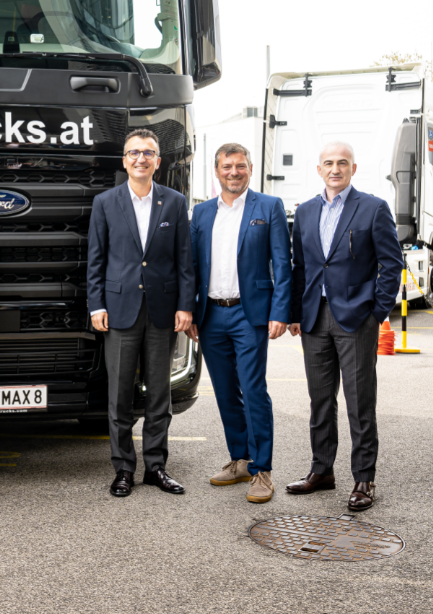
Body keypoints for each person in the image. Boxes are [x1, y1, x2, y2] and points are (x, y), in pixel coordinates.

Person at [287, 141, 402, 511]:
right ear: (319, 169)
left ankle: (364, 478)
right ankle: (322, 470)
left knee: (359, 400)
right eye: (328, 163)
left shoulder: (373, 208)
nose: (335, 169)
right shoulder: (305, 211)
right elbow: (300, 267)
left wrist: (377, 311)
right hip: (313, 318)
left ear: (353, 169)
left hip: (356, 318)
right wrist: (295, 312)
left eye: (342, 163)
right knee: (320, 400)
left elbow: (391, 263)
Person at [87, 128, 195, 497]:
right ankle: (123, 469)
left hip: (163, 311)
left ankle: (156, 467)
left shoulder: (175, 202)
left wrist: (185, 306)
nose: (140, 159)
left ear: (157, 162)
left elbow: (184, 260)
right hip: (119, 311)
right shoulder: (106, 202)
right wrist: (96, 304)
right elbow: (96, 259)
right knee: (119, 396)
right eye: (134, 153)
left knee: (159, 395)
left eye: (148, 153)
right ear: (124, 160)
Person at [190, 143, 292, 504]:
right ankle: (240, 460)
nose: (234, 172)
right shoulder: (202, 212)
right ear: (217, 171)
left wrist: (281, 311)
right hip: (211, 315)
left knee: (253, 390)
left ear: (250, 168)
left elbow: (283, 263)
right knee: (224, 391)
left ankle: (262, 469)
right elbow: (191, 267)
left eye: (240, 166)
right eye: (227, 166)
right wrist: (190, 311)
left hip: (250, 314)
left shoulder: (269, 206)